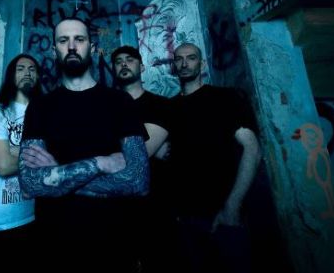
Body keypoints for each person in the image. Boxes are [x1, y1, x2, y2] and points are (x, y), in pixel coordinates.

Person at [18, 18, 150, 273]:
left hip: (115, 244)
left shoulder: (120, 101)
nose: (71, 46)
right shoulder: (40, 107)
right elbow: (29, 185)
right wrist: (100, 163)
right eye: (63, 40)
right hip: (55, 244)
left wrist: (57, 174)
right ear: (53, 50)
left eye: (79, 39)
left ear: (92, 47)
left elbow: (139, 181)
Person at [169, 42, 261, 273]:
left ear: (202, 64)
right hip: (184, 218)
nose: (184, 63)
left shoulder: (224, 98)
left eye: (191, 58)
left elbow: (252, 149)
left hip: (222, 214)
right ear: (173, 65)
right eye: (179, 59)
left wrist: (232, 206)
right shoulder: (169, 107)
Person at [111, 45, 175, 272]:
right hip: (115, 207)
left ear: (142, 66)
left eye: (129, 59)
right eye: (118, 61)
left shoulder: (161, 105)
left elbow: (139, 155)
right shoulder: (106, 108)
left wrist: (112, 150)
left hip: (155, 207)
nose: (124, 64)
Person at [0, 54, 42, 270]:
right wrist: (37, 154)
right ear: (11, 76)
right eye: (20, 68)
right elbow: (4, 165)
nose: (27, 73)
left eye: (32, 69)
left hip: (36, 214)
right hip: (0, 218)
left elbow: (58, 159)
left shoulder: (45, 113)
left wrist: (14, 149)